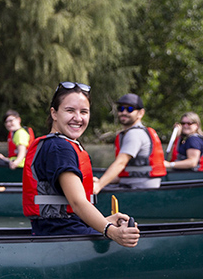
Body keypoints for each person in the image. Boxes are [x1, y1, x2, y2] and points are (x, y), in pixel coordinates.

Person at [21, 82, 139, 245]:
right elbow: (77, 203)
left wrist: (105, 220)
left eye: (84, 112)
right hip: (61, 234)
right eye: (70, 110)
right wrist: (111, 231)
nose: (78, 118)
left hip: (56, 229)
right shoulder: (60, 148)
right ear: (54, 113)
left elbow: (67, 210)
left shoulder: (56, 144)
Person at [92, 93, 166, 195]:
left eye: (130, 109)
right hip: (132, 184)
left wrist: (99, 185)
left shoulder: (134, 134)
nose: (124, 112)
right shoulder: (129, 133)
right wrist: (100, 180)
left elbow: (121, 163)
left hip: (140, 188)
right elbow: (126, 173)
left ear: (140, 113)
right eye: (120, 108)